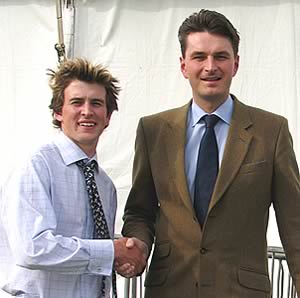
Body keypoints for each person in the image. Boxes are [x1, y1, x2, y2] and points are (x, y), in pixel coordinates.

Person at [122, 9, 300, 298]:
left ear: (236, 64)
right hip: (169, 289)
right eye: (199, 57)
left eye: (220, 56)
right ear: (183, 65)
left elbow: (295, 223)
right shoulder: (152, 131)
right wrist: (138, 246)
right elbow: (140, 210)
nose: (210, 67)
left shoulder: (272, 131)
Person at [0, 58, 146, 298]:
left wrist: (122, 261)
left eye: (97, 103)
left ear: (108, 117)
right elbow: (32, 248)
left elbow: (95, 259)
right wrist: (111, 251)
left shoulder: (105, 185)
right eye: (77, 102)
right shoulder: (37, 166)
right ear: (58, 112)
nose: (87, 111)